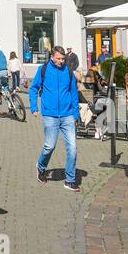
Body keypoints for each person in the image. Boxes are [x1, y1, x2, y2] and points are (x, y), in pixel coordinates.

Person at [30, 46, 81, 191]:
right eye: (58, 58)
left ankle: (70, 180)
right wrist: (34, 107)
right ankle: (41, 167)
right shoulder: (43, 69)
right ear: (52, 57)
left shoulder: (68, 71)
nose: (61, 61)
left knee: (72, 147)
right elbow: (34, 88)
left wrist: (76, 114)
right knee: (49, 146)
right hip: (50, 115)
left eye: (63, 58)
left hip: (68, 115)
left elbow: (73, 93)